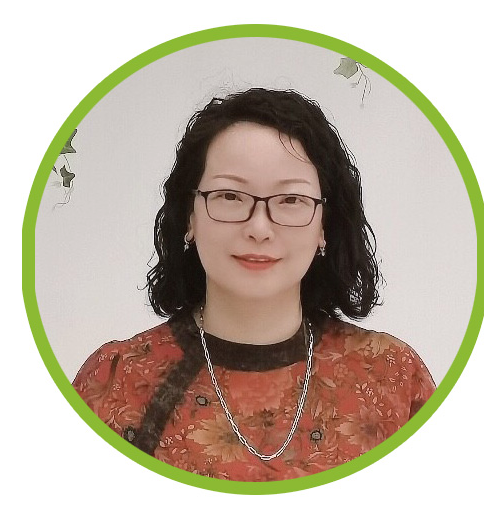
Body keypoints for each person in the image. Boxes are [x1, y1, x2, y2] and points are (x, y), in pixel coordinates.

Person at [73, 88, 436, 481]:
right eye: (230, 196)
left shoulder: (393, 378)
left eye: (290, 200)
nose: (259, 228)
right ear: (190, 217)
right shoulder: (116, 382)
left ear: (324, 226)